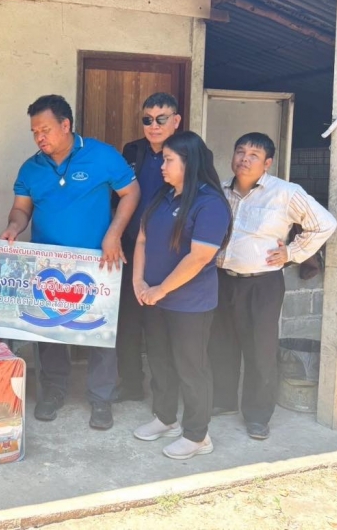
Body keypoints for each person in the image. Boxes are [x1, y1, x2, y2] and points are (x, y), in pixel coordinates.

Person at [1, 94, 140, 430]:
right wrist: (14, 227)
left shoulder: (102, 156)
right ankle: (53, 390)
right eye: (35, 132)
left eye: (45, 130)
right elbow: (21, 208)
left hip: (97, 261)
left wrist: (114, 234)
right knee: (48, 330)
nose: (39, 137)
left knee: (99, 331)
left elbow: (131, 192)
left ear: (66, 125)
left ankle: (101, 398)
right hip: (48, 264)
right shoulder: (31, 168)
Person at [209, 133, 336, 440]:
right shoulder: (220, 190)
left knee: (260, 350)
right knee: (221, 343)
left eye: (254, 155)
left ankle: (257, 416)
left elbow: (325, 223)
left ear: (267, 163)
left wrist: (292, 253)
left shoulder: (285, 193)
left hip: (262, 284)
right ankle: (224, 401)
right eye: (240, 152)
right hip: (222, 278)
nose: (244, 159)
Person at [132, 131, 232, 460]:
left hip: (190, 304)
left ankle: (197, 435)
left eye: (168, 159)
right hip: (154, 298)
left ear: (189, 163)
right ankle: (165, 418)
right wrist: (138, 282)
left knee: (191, 368)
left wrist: (160, 289)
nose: (162, 165)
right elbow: (142, 240)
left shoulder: (209, 203)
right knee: (160, 361)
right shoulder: (163, 196)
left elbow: (199, 257)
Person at [116, 93, 214, 402]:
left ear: (176, 120)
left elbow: (206, 195)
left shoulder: (194, 153)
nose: (153, 125)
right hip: (134, 248)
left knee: (167, 331)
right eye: (147, 119)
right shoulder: (132, 151)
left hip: (174, 253)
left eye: (161, 119)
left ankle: (173, 399)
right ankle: (131, 385)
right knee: (127, 322)